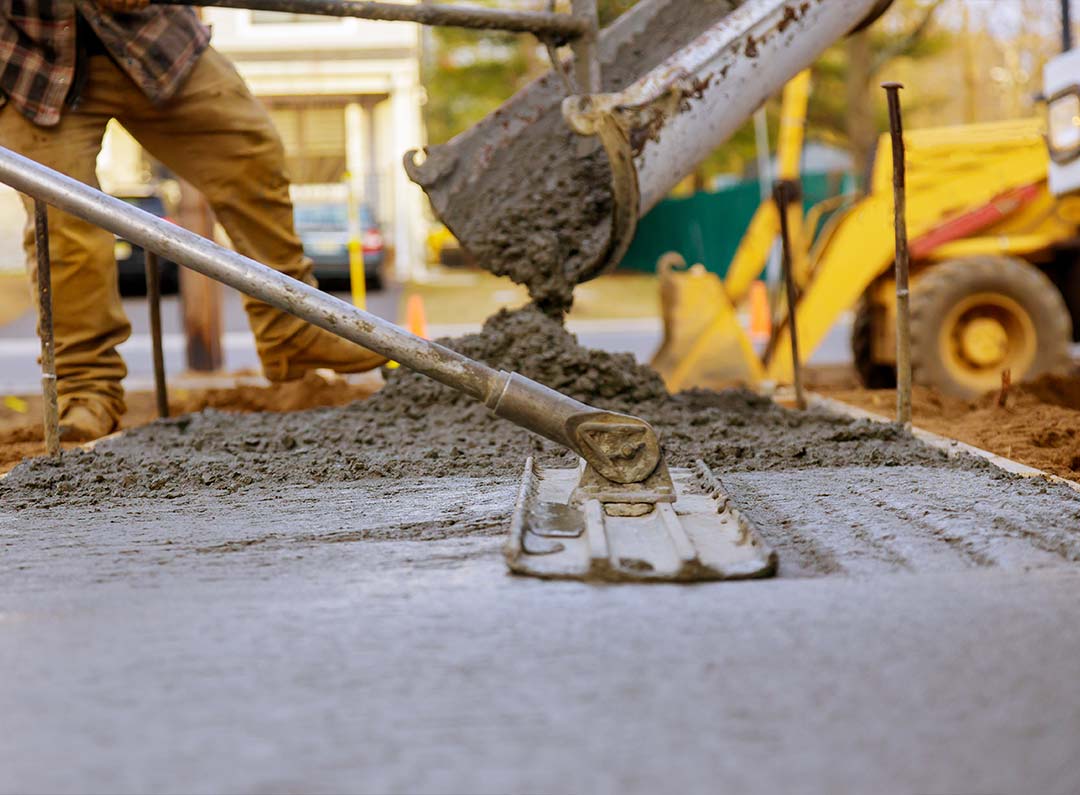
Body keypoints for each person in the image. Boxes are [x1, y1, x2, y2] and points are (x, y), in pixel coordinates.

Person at [0, 0, 387, 441]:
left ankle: (291, 330)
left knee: (249, 152)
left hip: (152, 40)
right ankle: (85, 391)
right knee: (65, 228)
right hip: (31, 61)